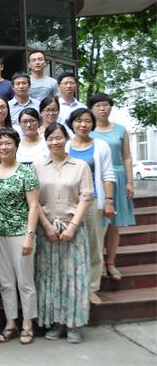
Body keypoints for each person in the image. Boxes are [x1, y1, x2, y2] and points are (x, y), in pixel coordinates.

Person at [34, 123, 93, 344]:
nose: (55, 142)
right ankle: (56, 322)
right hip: (46, 230)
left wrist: (72, 227)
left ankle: (73, 323)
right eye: (50, 138)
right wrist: (47, 226)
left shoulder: (81, 166)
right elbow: (34, 201)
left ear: (66, 138)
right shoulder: (38, 167)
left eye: (59, 137)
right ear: (46, 141)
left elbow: (86, 198)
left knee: (73, 277)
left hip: (73, 229)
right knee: (50, 277)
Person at [0, 128, 40, 344]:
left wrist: (30, 235)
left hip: (21, 233)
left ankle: (27, 324)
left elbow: (34, 206)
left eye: (7, 143)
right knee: (6, 282)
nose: (3, 147)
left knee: (25, 281)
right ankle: (10, 323)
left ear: (16, 145)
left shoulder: (26, 173)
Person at [66, 108, 115, 304]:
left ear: (93, 124)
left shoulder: (100, 146)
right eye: (79, 120)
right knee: (71, 247)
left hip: (94, 202)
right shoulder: (65, 145)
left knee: (94, 246)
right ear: (72, 123)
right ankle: (74, 287)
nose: (83, 124)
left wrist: (109, 201)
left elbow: (108, 175)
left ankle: (92, 287)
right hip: (70, 203)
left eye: (87, 121)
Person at [89, 93, 136, 281]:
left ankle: (111, 262)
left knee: (114, 225)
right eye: (98, 105)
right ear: (92, 109)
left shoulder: (120, 130)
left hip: (118, 177)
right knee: (98, 224)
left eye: (105, 105)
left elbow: (127, 157)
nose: (102, 109)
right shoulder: (89, 131)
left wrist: (130, 182)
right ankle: (98, 262)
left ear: (110, 107)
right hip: (97, 179)